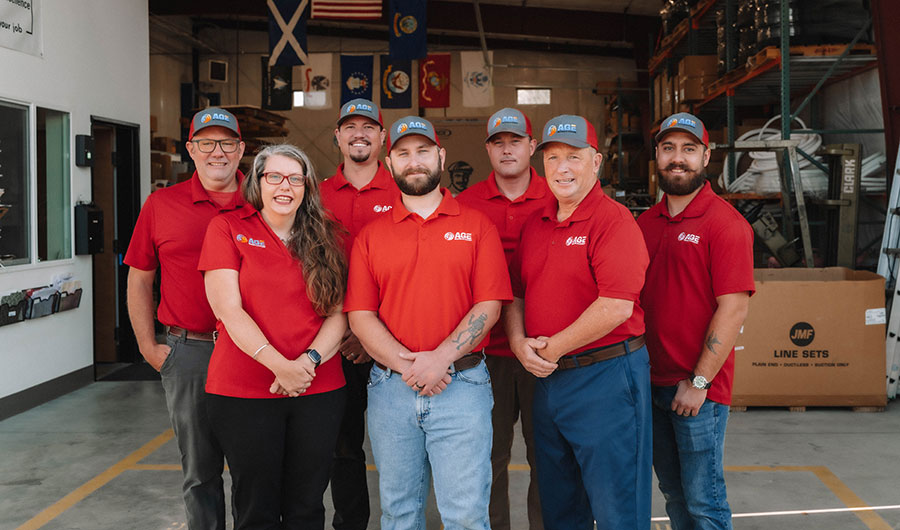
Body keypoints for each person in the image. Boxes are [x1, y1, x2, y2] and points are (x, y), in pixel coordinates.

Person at [345, 116, 512, 530]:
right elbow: (361, 316)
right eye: (403, 153)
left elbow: (489, 305)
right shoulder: (371, 236)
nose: (414, 161)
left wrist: (440, 360)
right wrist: (411, 367)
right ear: (389, 164)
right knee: (399, 514)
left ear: (440, 156)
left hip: (463, 386)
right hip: (391, 390)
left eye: (423, 151)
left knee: (466, 515)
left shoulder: (477, 226)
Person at [504, 114, 652, 530]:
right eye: (552, 158)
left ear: (596, 162)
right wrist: (518, 343)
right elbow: (515, 293)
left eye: (574, 156)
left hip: (606, 378)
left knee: (617, 508)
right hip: (549, 382)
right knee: (560, 505)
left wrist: (551, 349)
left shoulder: (614, 222)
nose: (562, 168)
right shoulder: (538, 223)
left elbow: (616, 306)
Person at [199, 144, 348, 529]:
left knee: (307, 504)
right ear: (257, 183)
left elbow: (340, 314)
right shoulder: (228, 228)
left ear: (307, 186)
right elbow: (228, 310)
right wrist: (281, 366)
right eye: (275, 176)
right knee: (256, 507)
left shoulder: (326, 236)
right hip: (243, 391)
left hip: (318, 389)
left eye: (296, 178)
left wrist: (307, 364)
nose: (285, 186)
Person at [125, 107, 246, 530]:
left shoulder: (267, 201)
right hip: (188, 351)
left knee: (256, 468)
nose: (218, 152)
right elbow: (140, 279)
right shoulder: (162, 205)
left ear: (241, 149)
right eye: (207, 143)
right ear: (191, 149)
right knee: (200, 471)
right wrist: (148, 346)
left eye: (227, 142)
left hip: (253, 353)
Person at [637, 113, 754, 530]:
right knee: (674, 495)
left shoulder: (725, 224)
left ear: (706, 156)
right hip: (651, 383)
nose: (677, 159)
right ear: (657, 157)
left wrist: (699, 382)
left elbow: (734, 308)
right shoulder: (645, 224)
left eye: (688, 149)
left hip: (698, 390)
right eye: (668, 149)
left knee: (704, 501)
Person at [456, 107, 553, 530]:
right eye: (499, 142)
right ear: (488, 150)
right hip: (483, 356)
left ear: (532, 147)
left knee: (547, 458)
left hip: (549, 352)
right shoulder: (464, 204)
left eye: (516, 140)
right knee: (486, 461)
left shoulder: (560, 195)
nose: (507, 148)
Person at [320, 98, 398, 530]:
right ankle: (352, 523)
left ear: (382, 138)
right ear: (337, 136)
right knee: (343, 444)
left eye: (369, 126)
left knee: (401, 446)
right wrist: (346, 330)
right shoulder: (315, 194)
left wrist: (373, 334)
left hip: (393, 341)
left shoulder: (406, 189)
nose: (359, 133)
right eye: (350, 126)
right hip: (336, 345)